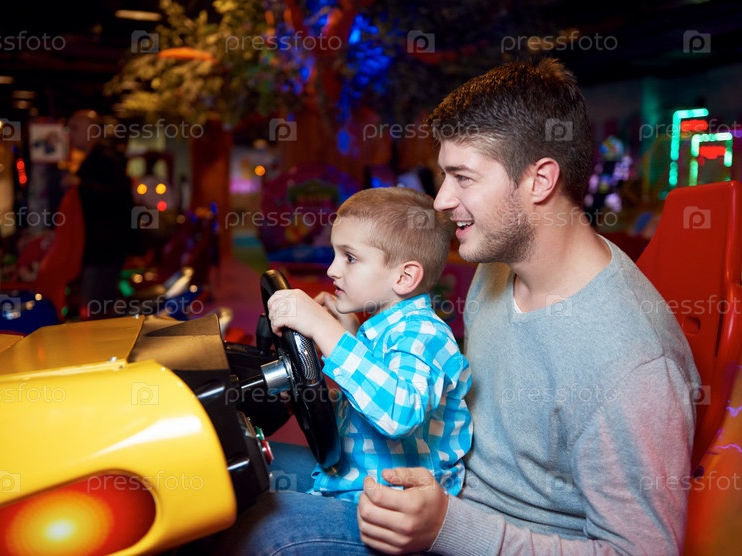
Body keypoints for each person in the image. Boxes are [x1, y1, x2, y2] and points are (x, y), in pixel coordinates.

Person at [210, 57, 700, 555]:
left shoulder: (633, 360)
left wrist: (450, 528)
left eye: (462, 178)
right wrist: (351, 333)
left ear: (539, 180)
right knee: (225, 468)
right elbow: (431, 381)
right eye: (444, 175)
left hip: (477, 534)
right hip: (437, 485)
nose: (441, 200)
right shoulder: (498, 269)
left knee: (262, 531)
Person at [266, 186, 472, 502]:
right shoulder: (382, 332)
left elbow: (399, 414)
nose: (332, 270)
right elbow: (362, 419)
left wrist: (324, 328)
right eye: (335, 255)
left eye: (349, 258)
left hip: (390, 507)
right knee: (248, 466)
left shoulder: (424, 335)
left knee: (257, 515)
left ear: (404, 278)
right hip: (351, 481)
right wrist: (305, 395)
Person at [75, 143, 142, 319]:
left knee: (94, 306)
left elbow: (113, 199)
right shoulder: (104, 160)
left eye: (74, 130)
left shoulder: (104, 161)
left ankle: (98, 333)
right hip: (105, 246)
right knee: (99, 303)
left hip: (103, 246)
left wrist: (82, 185)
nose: (70, 135)